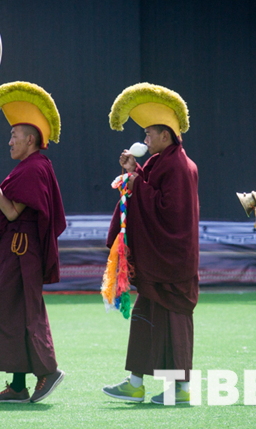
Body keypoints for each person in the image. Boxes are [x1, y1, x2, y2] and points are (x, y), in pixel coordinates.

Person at [101, 83, 199, 405]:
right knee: (144, 317)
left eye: (148, 134)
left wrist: (136, 180)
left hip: (172, 262)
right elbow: (150, 190)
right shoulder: (162, 161)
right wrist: (135, 172)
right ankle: (135, 383)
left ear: (165, 136)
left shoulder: (180, 166)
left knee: (174, 322)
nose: (145, 140)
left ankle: (181, 389)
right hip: (159, 262)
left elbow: (169, 212)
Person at [0, 81, 66, 403]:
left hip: (22, 250)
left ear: (30, 139)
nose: (9, 141)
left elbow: (13, 213)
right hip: (17, 248)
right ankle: (17, 385)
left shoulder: (35, 167)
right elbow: (12, 206)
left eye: (14, 135)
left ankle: (49, 371)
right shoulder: (28, 167)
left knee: (26, 312)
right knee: (11, 313)